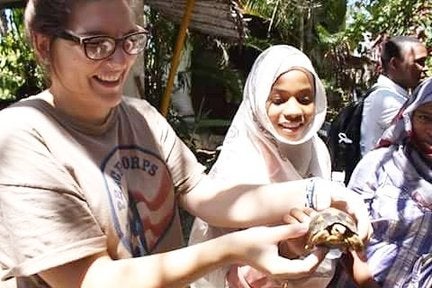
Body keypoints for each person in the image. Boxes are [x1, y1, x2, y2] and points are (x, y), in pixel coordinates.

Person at [0, 1, 372, 287]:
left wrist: (317, 193)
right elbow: (92, 279)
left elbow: (207, 197)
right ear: (43, 45)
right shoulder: (23, 134)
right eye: (96, 43)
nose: (119, 59)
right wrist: (232, 250)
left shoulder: (140, 117)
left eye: (130, 40)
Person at [188, 45, 337, 288]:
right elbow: (221, 263)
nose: (293, 111)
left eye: (304, 99)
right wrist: (287, 250)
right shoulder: (240, 162)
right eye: (278, 100)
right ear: (258, 101)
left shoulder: (318, 152)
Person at [333, 77, 432, 287]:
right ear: (409, 116)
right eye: (425, 117)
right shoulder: (380, 164)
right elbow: (342, 231)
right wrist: (367, 282)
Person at [360, 35, 428, 156]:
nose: (425, 68)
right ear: (394, 64)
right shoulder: (388, 101)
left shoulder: (388, 94)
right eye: (419, 62)